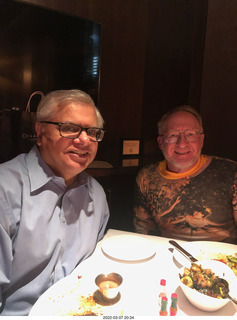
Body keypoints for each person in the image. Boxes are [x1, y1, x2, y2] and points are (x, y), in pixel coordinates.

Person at [0, 89, 109, 315]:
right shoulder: (5, 190)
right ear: (39, 132)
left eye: (93, 132)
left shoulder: (96, 194)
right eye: (70, 128)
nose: (84, 140)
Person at [133, 105, 237, 244]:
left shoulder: (230, 172)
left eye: (190, 134)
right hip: (169, 255)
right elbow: (144, 231)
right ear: (160, 142)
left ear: (201, 140)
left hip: (222, 260)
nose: (182, 144)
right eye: (173, 135)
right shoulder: (146, 177)